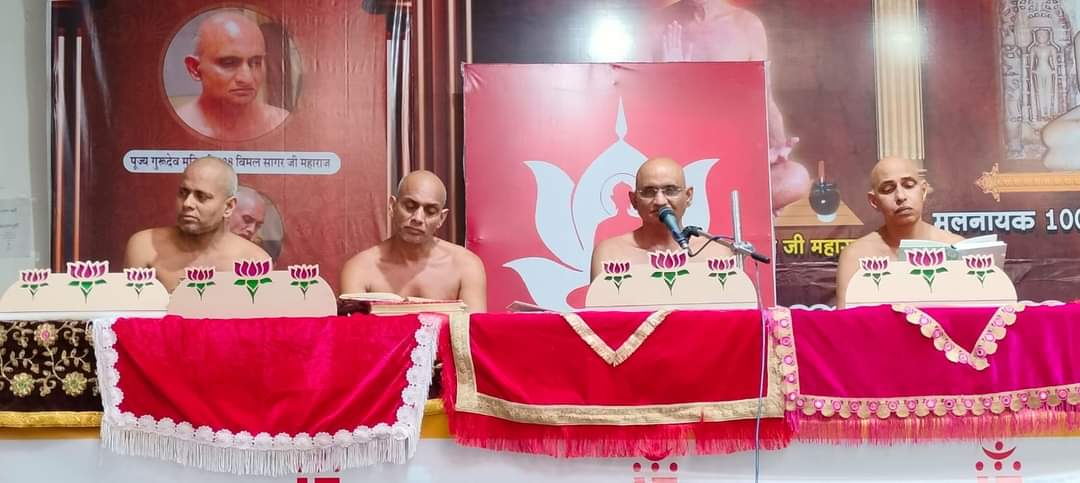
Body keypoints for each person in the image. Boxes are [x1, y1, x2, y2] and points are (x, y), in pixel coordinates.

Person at [658, 0, 811, 213]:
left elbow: (764, 96)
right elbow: (640, 108)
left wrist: (777, 149)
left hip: (734, 157)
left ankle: (723, 207)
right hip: (678, 156)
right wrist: (671, 79)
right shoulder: (660, 24)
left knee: (795, 177)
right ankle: (726, 207)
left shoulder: (746, 25)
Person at [340, 170, 487, 312]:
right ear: (392, 206)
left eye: (430, 211)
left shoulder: (466, 266)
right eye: (410, 207)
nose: (418, 218)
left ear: (441, 218)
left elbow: (474, 328)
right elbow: (352, 328)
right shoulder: (360, 269)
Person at [124, 157, 271, 291]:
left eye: (201, 197)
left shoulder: (255, 261)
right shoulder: (145, 247)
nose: (187, 203)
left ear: (228, 207)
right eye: (183, 193)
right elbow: (130, 309)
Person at [835, 157, 964, 307]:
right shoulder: (855, 256)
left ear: (923, 191)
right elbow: (845, 320)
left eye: (908, 185)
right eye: (888, 190)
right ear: (874, 201)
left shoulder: (956, 248)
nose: (901, 196)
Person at [590, 157, 733, 280]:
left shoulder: (716, 252)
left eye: (670, 190)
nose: (660, 201)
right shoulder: (610, 253)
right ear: (634, 200)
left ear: (688, 196)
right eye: (649, 192)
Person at [175, 11, 288, 141]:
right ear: (194, 68)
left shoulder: (281, 121)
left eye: (256, 63)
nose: (247, 79)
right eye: (229, 63)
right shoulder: (175, 128)